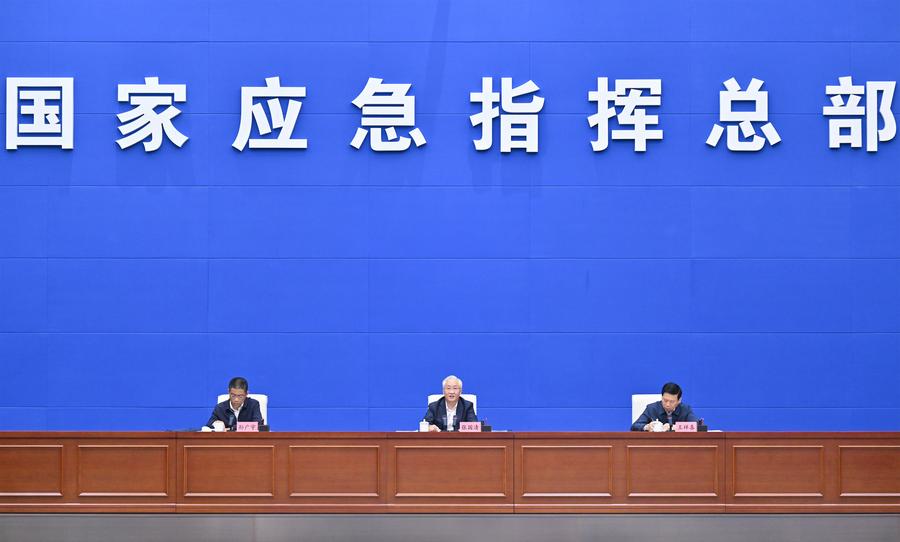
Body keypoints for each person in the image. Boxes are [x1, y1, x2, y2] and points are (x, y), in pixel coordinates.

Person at [631, 382, 698, 432]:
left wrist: (673, 427)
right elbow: (635, 426)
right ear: (662, 397)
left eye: (672, 401)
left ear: (679, 400)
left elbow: (696, 426)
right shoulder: (652, 408)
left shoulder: (685, 409)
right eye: (665, 400)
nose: (667, 404)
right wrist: (647, 427)